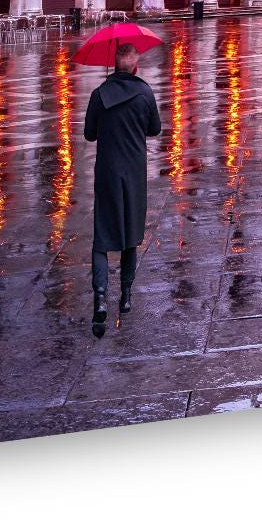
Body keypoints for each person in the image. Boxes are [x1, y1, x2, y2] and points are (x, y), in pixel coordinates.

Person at [81, 38, 160, 334]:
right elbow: (155, 129)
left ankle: (100, 299)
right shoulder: (144, 93)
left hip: (107, 171)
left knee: (102, 237)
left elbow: (89, 135)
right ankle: (125, 296)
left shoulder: (99, 95)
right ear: (136, 65)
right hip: (134, 172)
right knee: (130, 233)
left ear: (113, 65)